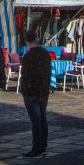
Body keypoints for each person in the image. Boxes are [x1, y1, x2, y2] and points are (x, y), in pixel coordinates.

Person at [19, 29, 51, 159]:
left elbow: (25, 76)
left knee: (36, 122)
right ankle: (43, 146)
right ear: (36, 38)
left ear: (26, 41)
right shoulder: (45, 53)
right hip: (43, 92)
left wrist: (24, 90)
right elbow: (48, 72)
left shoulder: (28, 56)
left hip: (32, 92)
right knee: (42, 120)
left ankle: (36, 149)